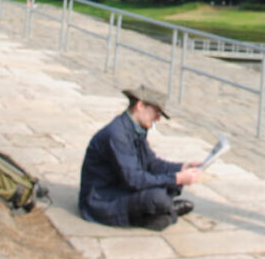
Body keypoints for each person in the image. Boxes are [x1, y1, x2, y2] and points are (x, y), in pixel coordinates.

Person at [79, 85, 202, 230]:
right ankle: (164, 213)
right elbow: (134, 180)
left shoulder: (135, 128)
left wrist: (182, 168)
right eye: (156, 112)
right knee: (158, 196)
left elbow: (152, 163)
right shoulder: (117, 135)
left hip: (121, 187)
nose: (158, 118)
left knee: (170, 183)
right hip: (102, 199)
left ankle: (161, 211)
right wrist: (176, 178)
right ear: (140, 105)